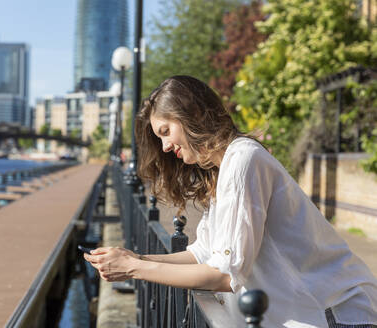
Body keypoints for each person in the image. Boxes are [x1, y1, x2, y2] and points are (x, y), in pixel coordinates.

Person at [84, 75, 377, 327]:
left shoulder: (243, 159)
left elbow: (225, 273)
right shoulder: (224, 169)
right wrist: (136, 258)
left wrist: (134, 270)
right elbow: (203, 253)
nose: (164, 146)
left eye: (165, 131)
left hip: (336, 315)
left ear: (191, 115)